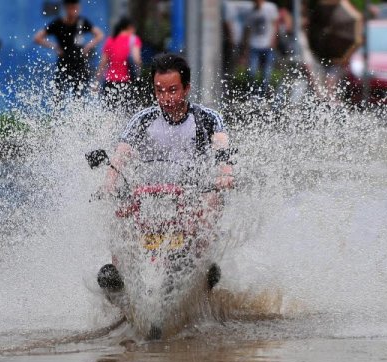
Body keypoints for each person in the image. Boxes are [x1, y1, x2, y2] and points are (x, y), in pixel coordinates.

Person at [97, 53, 234, 293]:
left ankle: (200, 270)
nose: (166, 97)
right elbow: (121, 154)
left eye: (172, 90)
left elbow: (222, 145)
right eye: (159, 91)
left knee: (211, 202)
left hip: (193, 196)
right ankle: (120, 280)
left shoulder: (206, 118)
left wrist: (225, 173)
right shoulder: (143, 120)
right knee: (119, 209)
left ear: (187, 88)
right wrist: (109, 183)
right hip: (149, 198)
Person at [33, 0, 104, 96]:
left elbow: (99, 35)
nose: (74, 11)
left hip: (79, 62)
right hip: (64, 62)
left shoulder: (82, 22)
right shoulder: (58, 23)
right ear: (66, 8)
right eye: (72, 8)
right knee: (58, 93)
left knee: (79, 94)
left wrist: (88, 47)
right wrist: (54, 47)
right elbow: (37, 37)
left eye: (76, 8)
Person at [94, 16, 142, 111]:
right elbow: (137, 59)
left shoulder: (110, 40)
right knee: (125, 112)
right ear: (130, 27)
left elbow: (103, 63)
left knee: (109, 112)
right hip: (125, 83)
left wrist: (96, 82)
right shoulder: (133, 39)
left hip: (109, 83)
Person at [241, 0, 279, 95]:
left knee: (266, 73)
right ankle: (253, 93)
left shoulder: (270, 7)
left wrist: (273, 40)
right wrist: (245, 48)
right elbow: (247, 29)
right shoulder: (250, 11)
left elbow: (275, 24)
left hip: (267, 45)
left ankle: (263, 94)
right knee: (252, 72)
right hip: (254, 45)